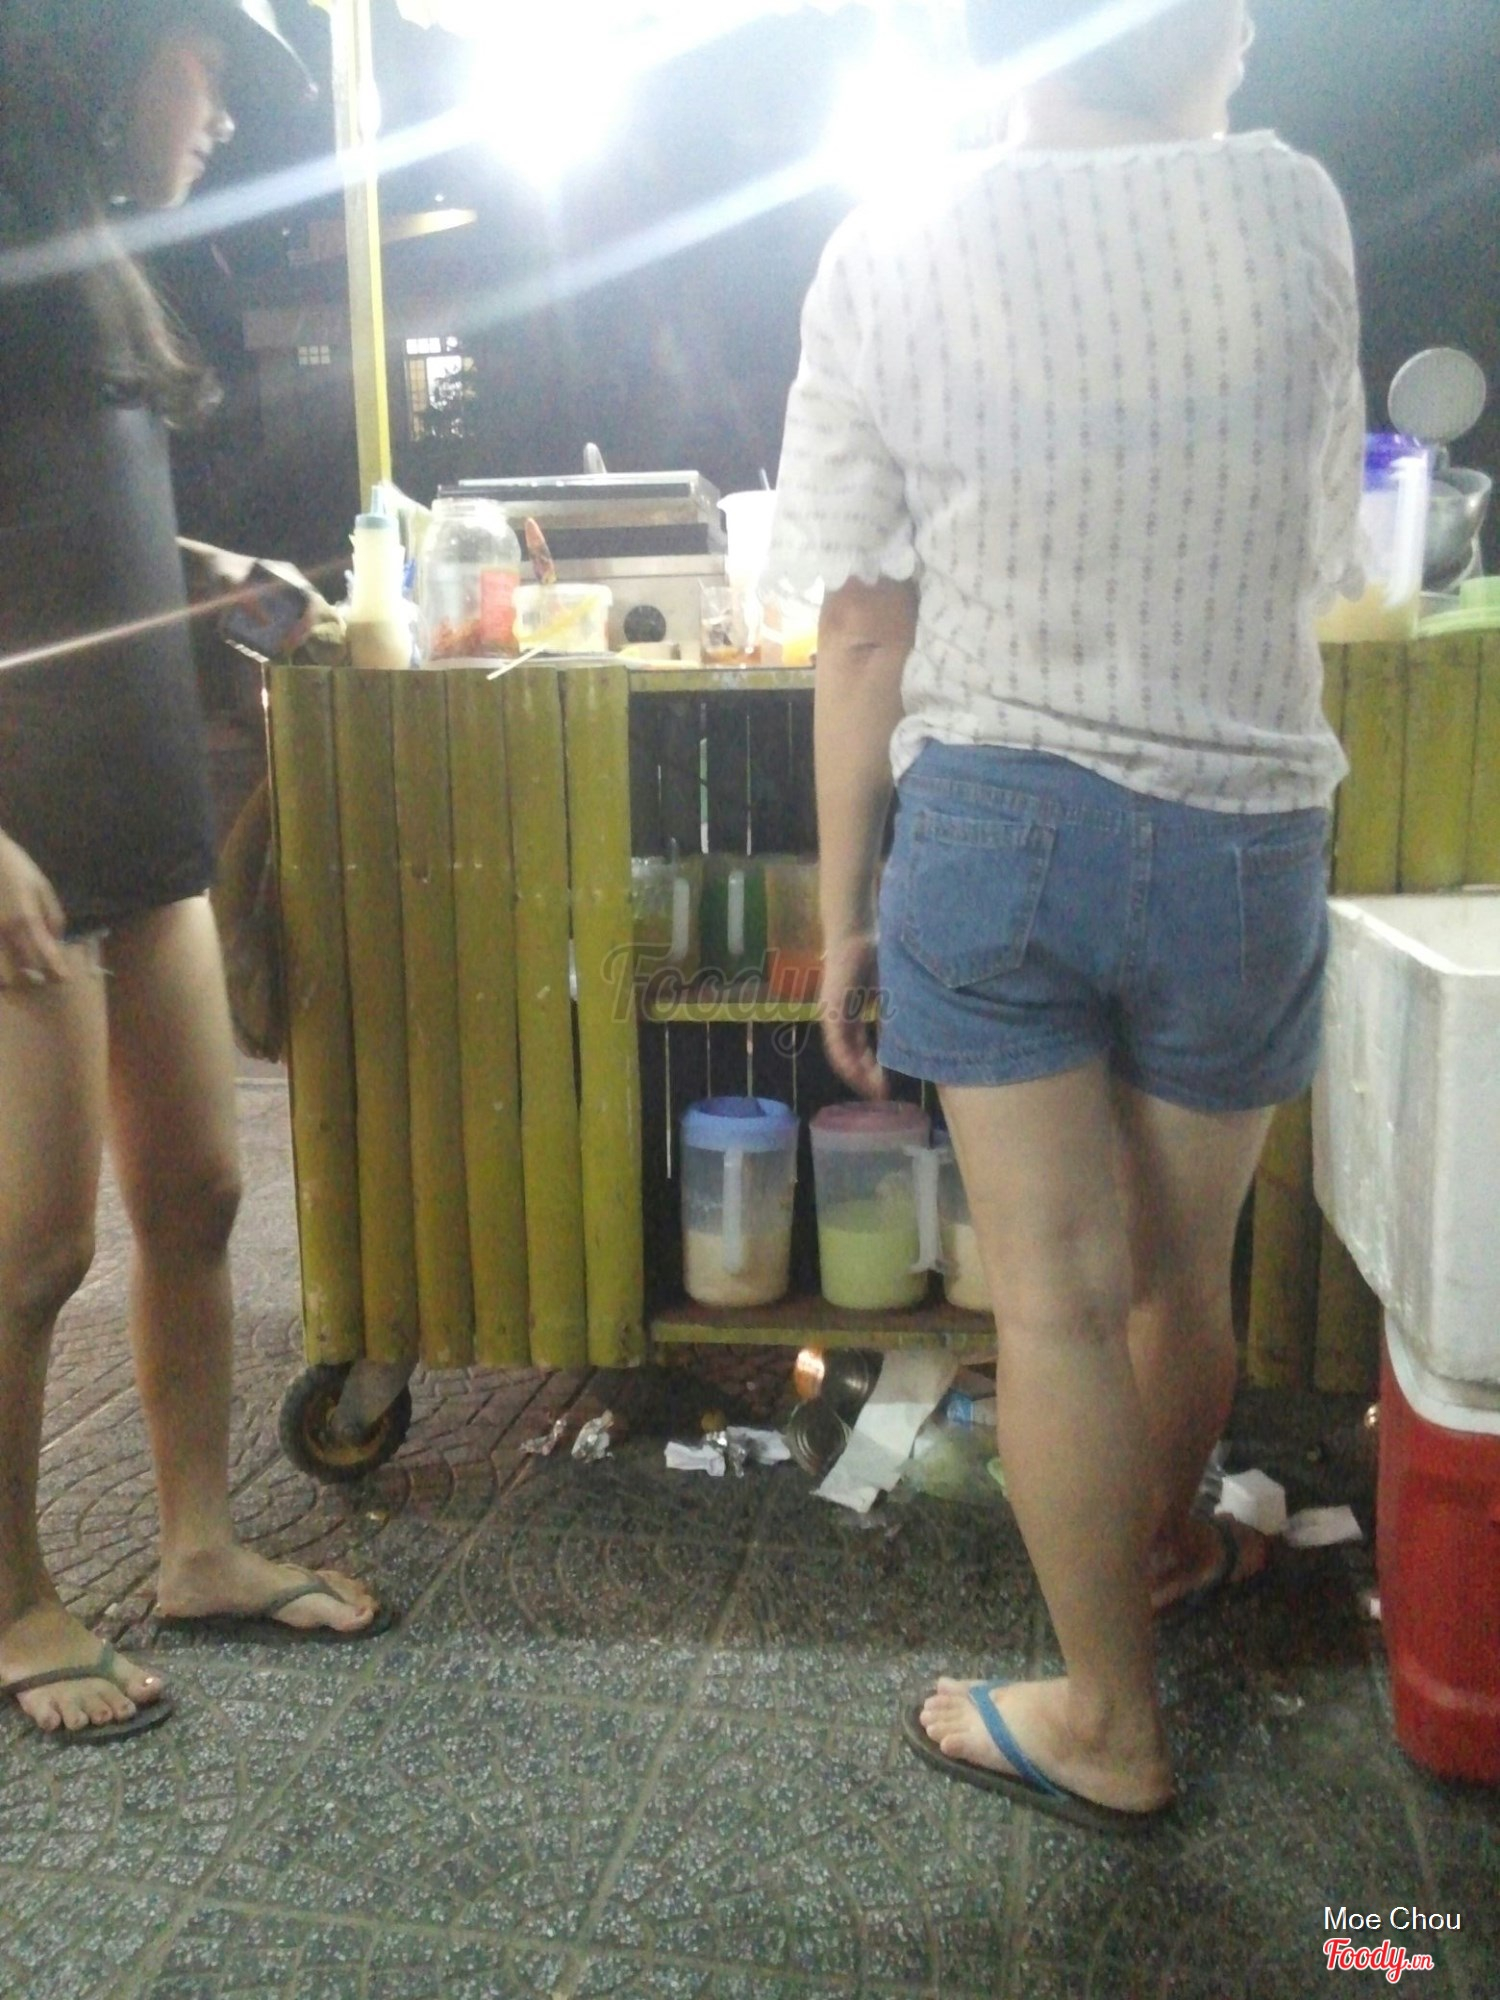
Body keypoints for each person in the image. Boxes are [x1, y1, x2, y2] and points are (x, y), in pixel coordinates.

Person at [768, 0, 1363, 1830]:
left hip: (998, 818)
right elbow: (1324, 543)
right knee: (1181, 1280)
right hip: (1245, 823)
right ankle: (1160, 1547)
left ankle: (1108, 1712)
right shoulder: (1293, 207)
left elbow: (859, 628)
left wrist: (847, 913)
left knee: (1052, 1302)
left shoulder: (886, 244)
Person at [1, 0, 386, 1746]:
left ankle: (198, 1546)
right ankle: (16, 1598)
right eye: (207, 63)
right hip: (19, 818)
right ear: (99, 55)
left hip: (136, 779)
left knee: (200, 1197)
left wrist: (201, 564)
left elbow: (54, 512)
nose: (223, 109)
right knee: (29, 1252)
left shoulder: (80, 257)